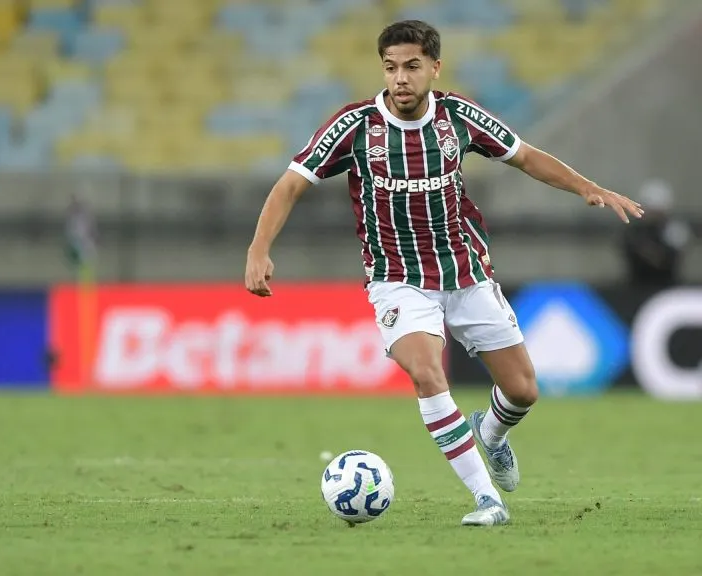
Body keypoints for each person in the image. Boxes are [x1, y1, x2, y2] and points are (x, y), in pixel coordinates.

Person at [243, 20, 643, 527]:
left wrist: (587, 186)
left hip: (466, 271)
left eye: (411, 67)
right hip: (397, 278)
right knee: (427, 373)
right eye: (391, 68)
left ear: (434, 66)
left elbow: (525, 157)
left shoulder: (458, 118)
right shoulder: (356, 125)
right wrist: (259, 248)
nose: (400, 79)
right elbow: (290, 185)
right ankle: (487, 500)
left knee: (522, 390)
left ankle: (492, 434)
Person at [622, 179, 692, 288]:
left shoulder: (674, 230)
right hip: (637, 286)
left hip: (667, 287)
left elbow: (665, 260)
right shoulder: (633, 232)